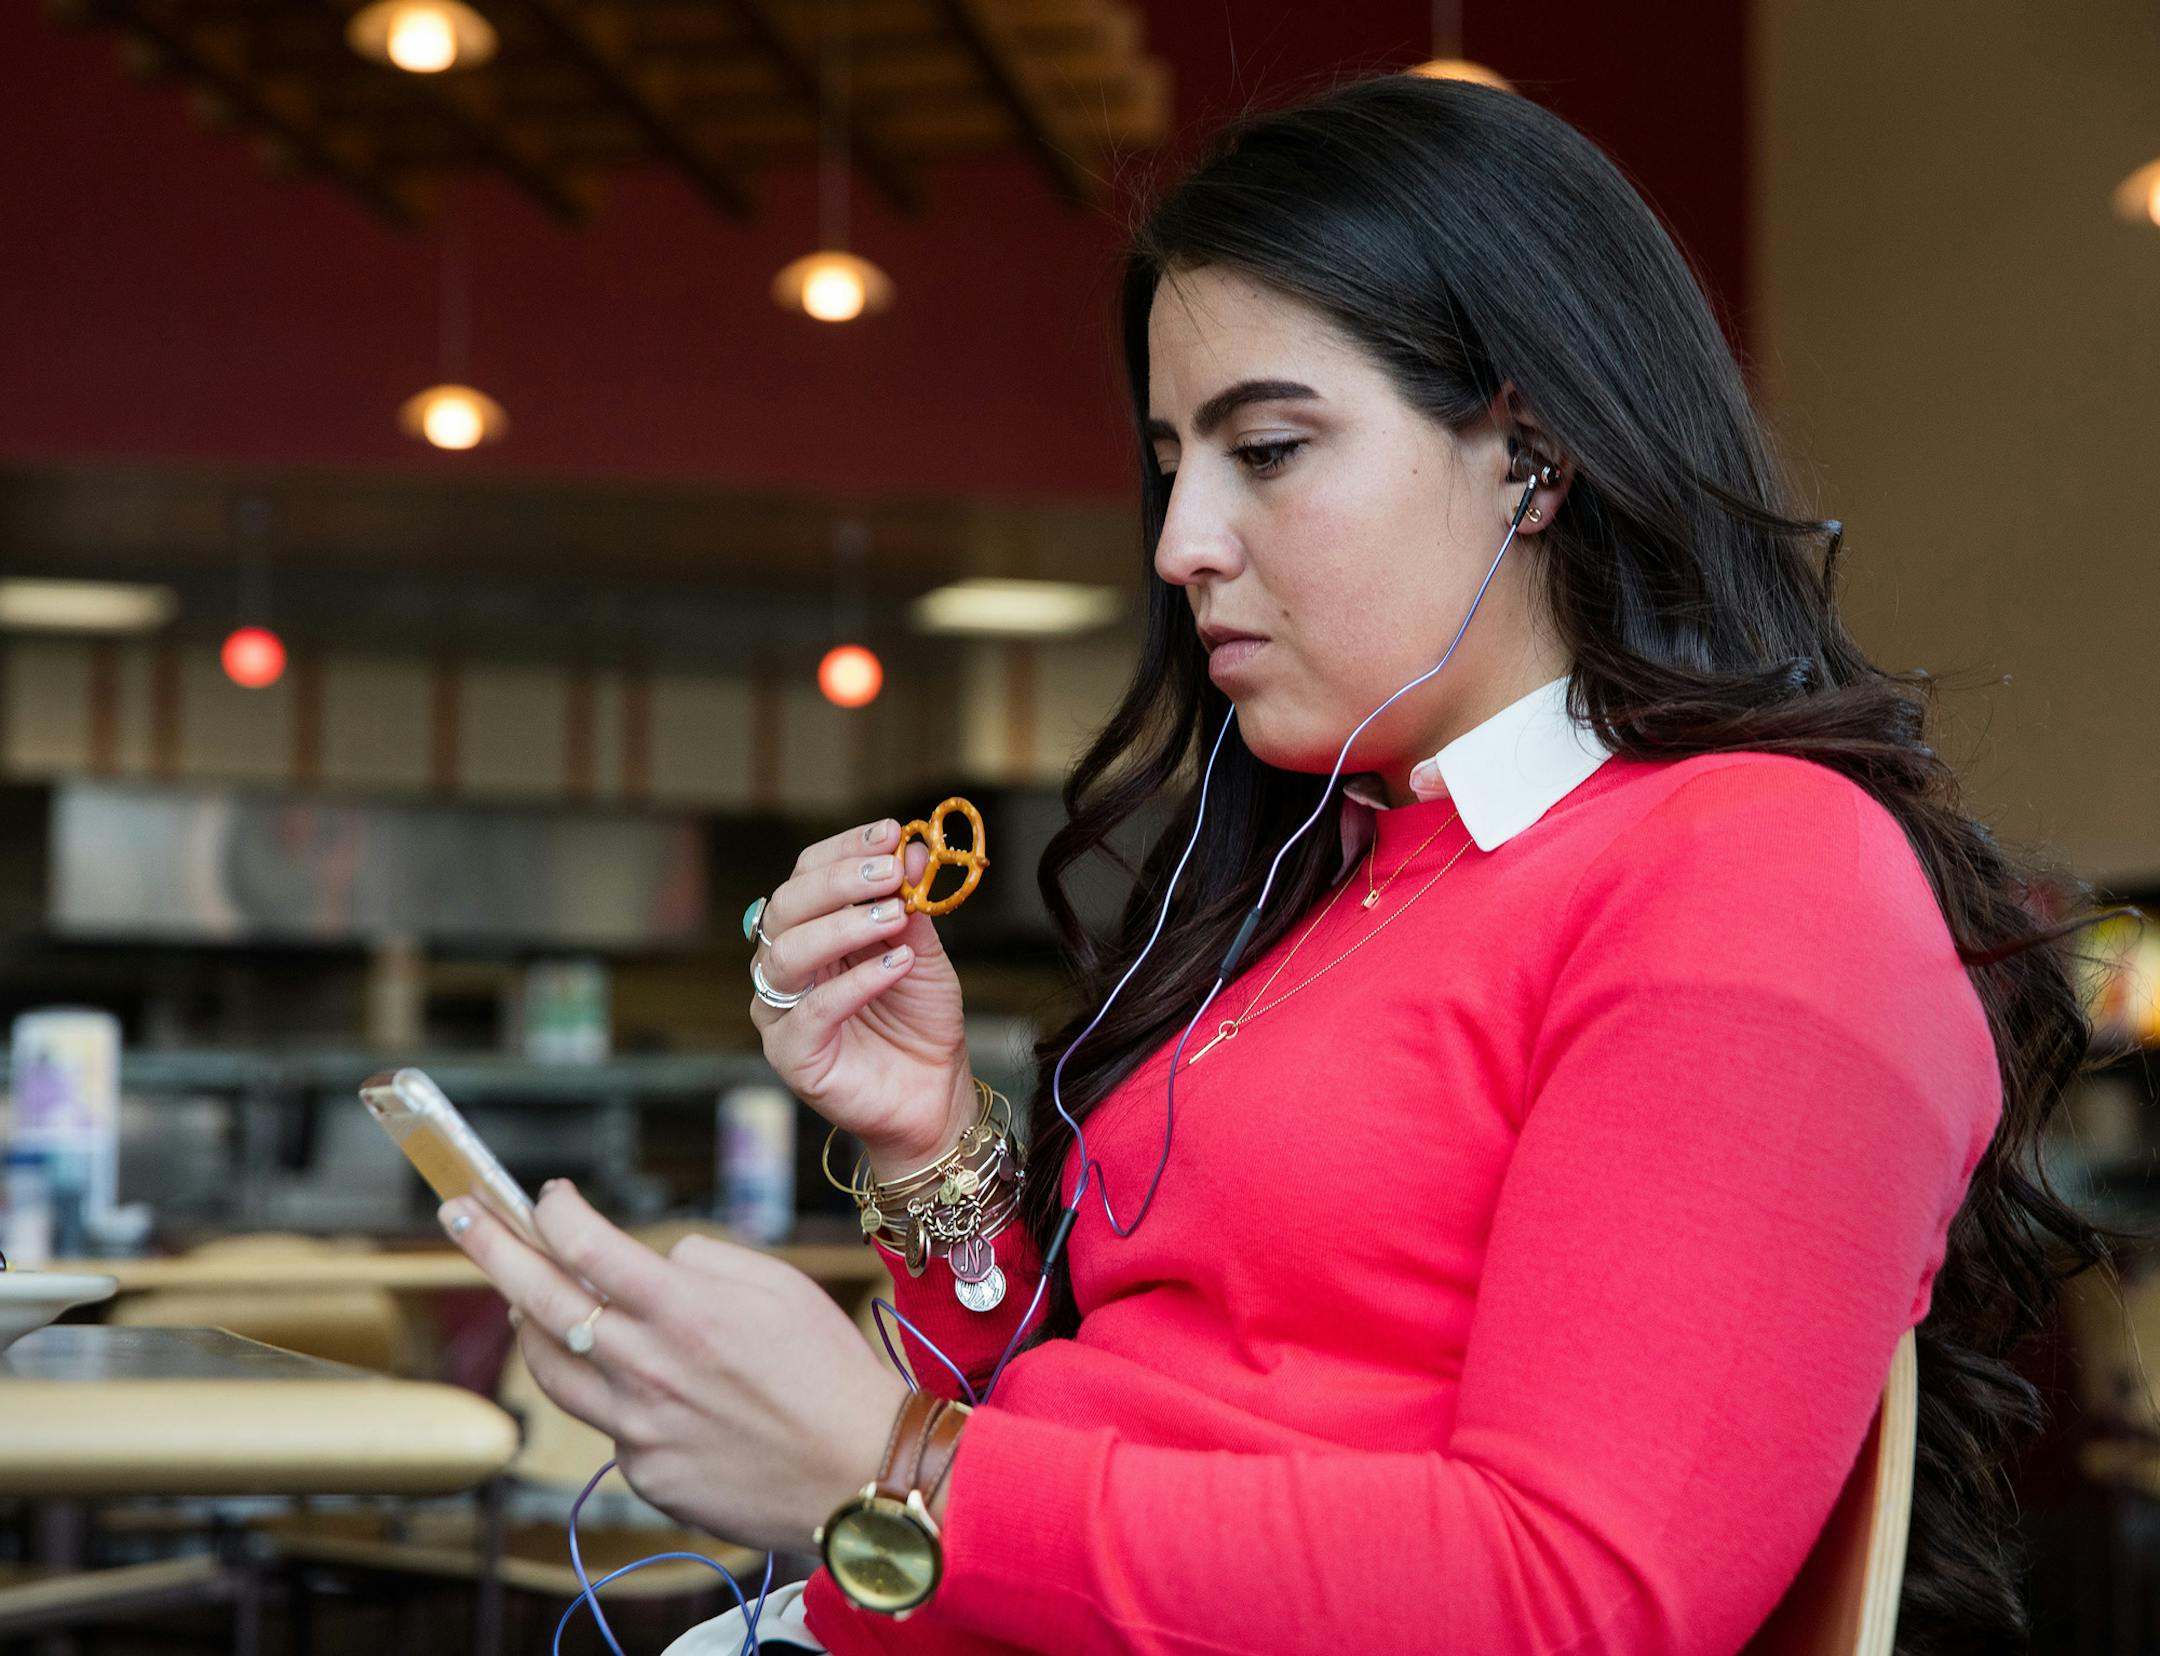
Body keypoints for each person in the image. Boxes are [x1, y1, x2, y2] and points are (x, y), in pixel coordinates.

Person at [441, 73, 2123, 1654]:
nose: (1179, 545)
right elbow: (1126, 1433)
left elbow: (1572, 1607)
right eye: (1172, 463)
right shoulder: (1349, 868)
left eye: (1267, 449)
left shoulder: (1759, 872)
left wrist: (890, 1468)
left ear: (1529, 449)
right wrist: (934, 1147)